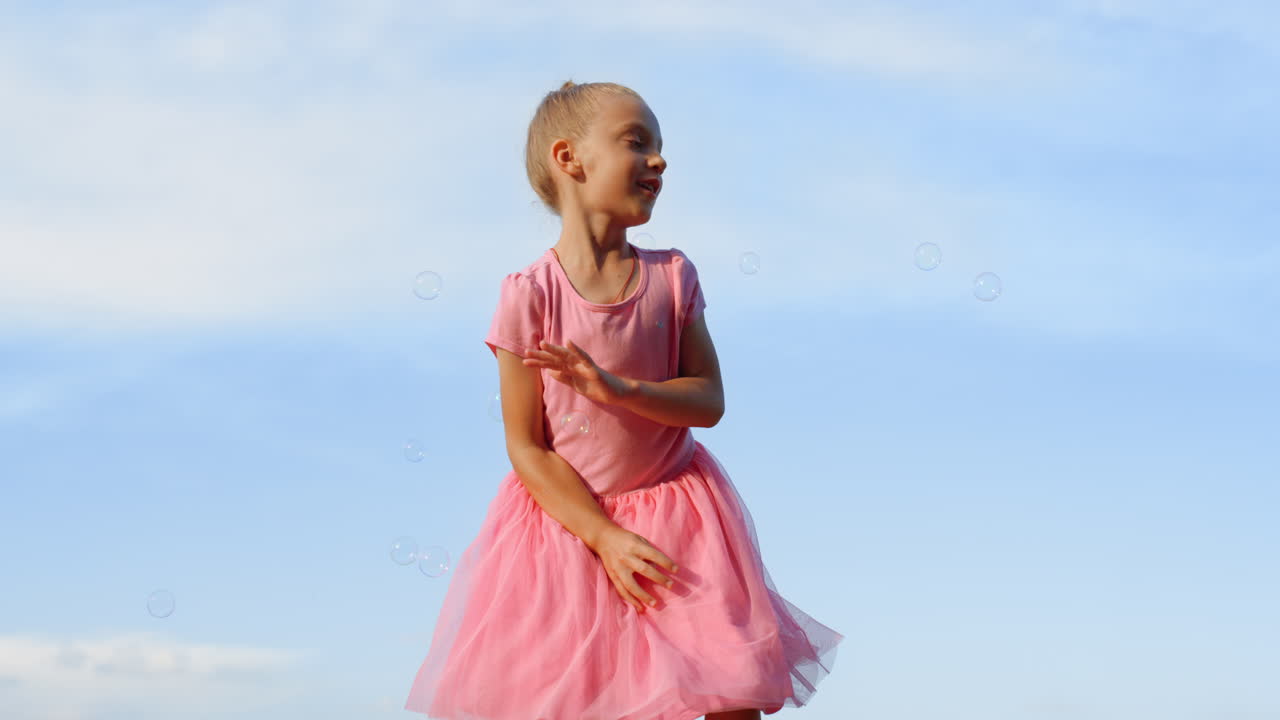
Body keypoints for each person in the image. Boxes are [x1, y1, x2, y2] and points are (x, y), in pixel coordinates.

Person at [404, 80, 843, 720]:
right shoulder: (529, 295)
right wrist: (603, 536)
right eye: (637, 142)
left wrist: (619, 390)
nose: (659, 160)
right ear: (569, 159)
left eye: (661, 148)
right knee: (585, 700)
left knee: (731, 694)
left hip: (681, 522)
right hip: (569, 533)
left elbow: (708, 399)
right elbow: (527, 445)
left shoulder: (671, 277)